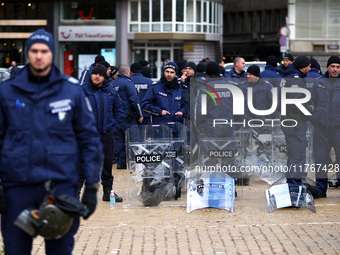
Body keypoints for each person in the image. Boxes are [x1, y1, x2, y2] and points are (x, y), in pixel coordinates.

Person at [0, 29, 102, 254]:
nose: (39, 56)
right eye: (34, 51)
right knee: (15, 249)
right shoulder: (7, 92)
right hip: (17, 187)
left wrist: (93, 186)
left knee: (60, 249)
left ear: (51, 54)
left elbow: (89, 140)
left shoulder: (71, 91)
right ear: (28, 54)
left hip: (59, 187)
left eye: (44, 51)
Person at [80, 64, 124, 202]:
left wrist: (113, 127)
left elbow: (119, 110)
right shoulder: (82, 90)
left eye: (100, 74)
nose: (97, 76)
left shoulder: (110, 91)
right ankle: (75, 193)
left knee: (107, 163)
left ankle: (108, 192)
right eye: (94, 74)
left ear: (104, 77)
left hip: (107, 133)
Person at [311, 55, 340, 198]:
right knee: (321, 159)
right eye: (333, 66)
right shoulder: (318, 83)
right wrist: (315, 118)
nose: (335, 69)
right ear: (327, 67)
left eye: (338, 67)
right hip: (321, 129)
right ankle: (321, 189)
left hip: (338, 129)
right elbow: (310, 103)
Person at [281, 55, 313, 185]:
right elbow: (295, 101)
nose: (310, 69)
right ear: (303, 67)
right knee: (297, 155)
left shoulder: (287, 77)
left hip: (288, 120)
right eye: (309, 66)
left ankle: (292, 183)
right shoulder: (295, 79)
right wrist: (309, 108)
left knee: (293, 154)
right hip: (294, 122)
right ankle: (294, 186)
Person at [112, 65, 143, 169]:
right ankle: (136, 163)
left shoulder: (112, 84)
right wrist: (140, 115)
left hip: (116, 117)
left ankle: (121, 163)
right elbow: (134, 101)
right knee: (134, 140)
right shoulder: (128, 83)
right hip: (128, 117)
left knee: (119, 141)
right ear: (127, 73)